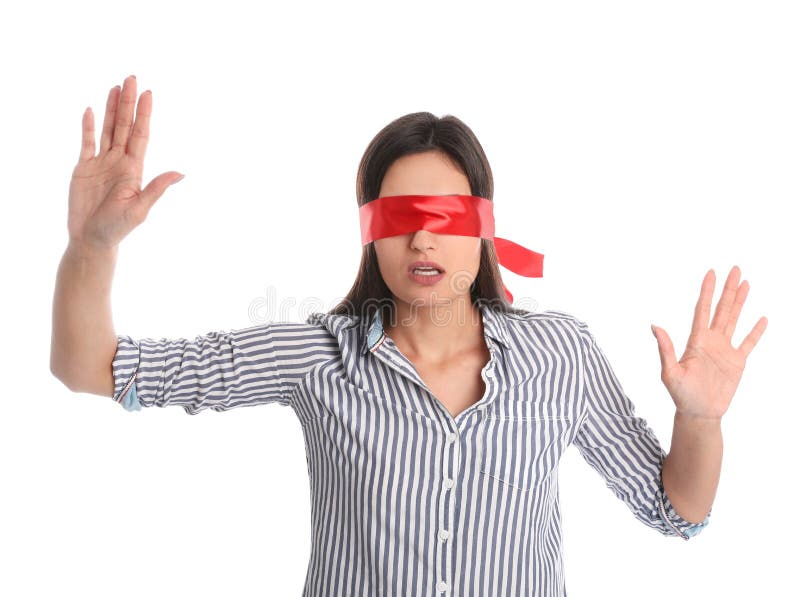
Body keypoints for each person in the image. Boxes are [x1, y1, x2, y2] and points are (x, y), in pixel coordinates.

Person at [51, 75, 768, 597]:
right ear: (369, 233)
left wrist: (699, 419)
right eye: (398, 217)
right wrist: (92, 246)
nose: (423, 236)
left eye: (446, 215)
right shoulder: (315, 357)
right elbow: (89, 366)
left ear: (483, 227)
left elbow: (677, 509)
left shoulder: (562, 356)